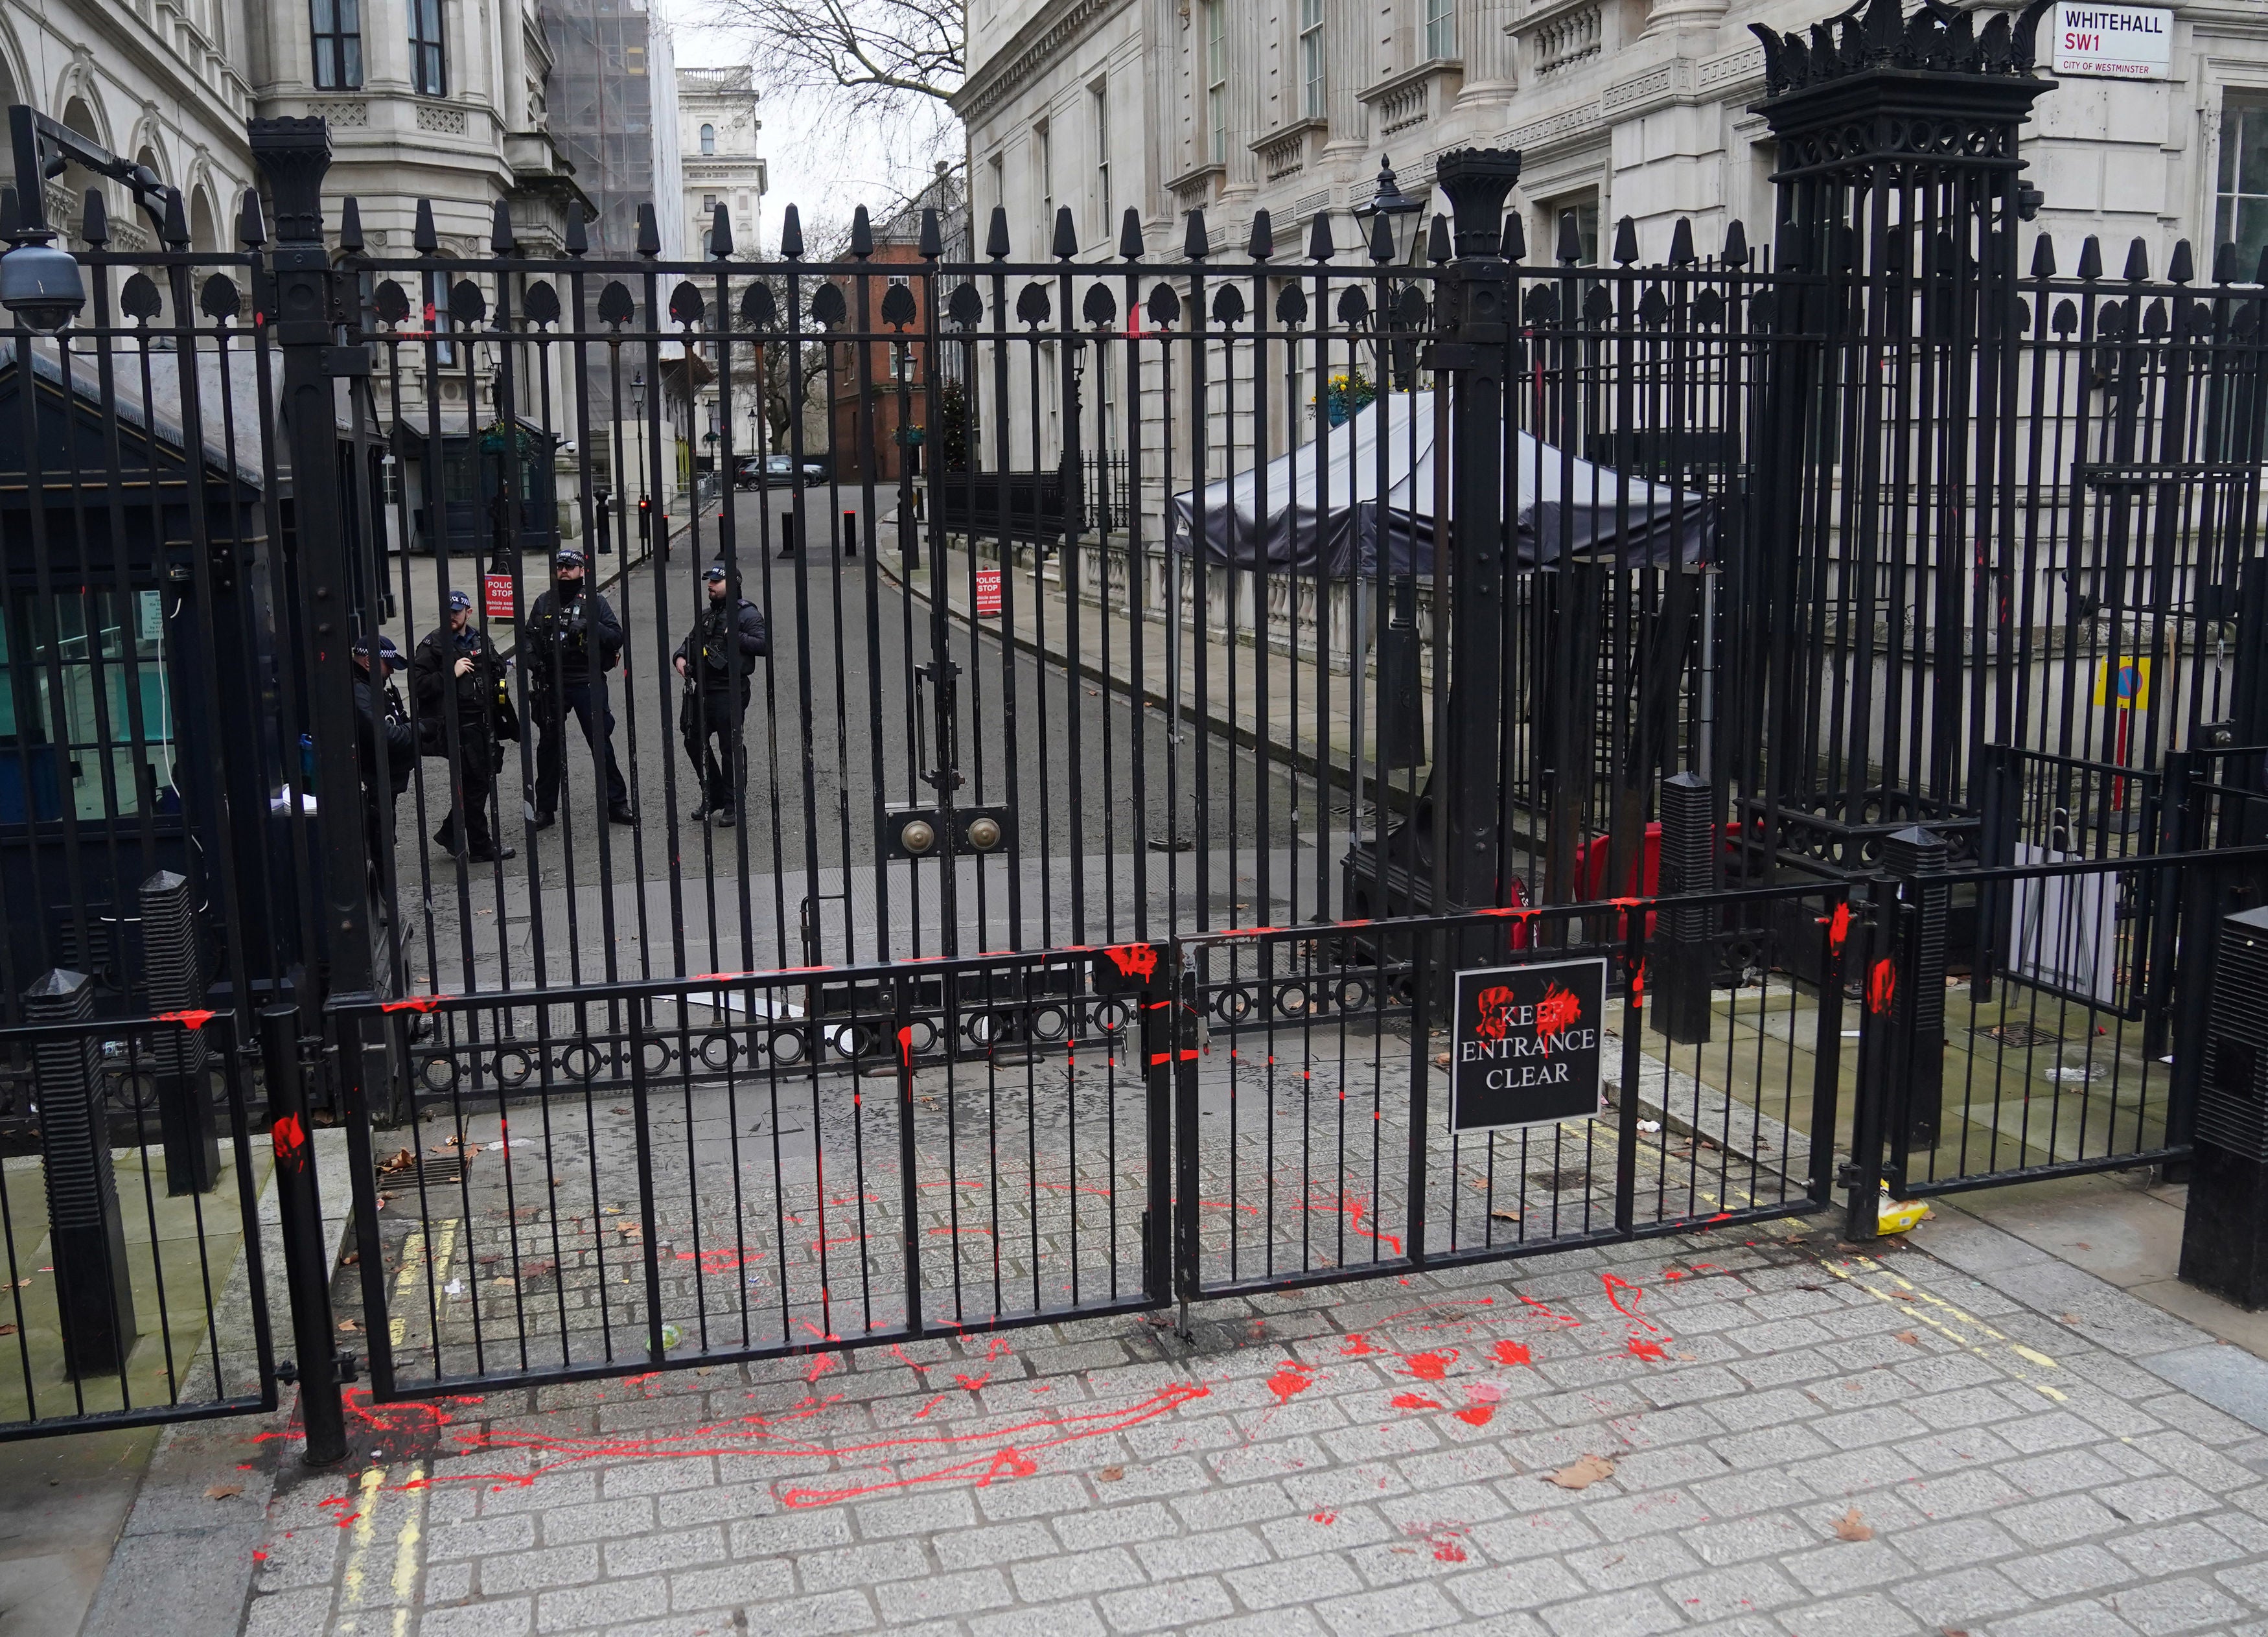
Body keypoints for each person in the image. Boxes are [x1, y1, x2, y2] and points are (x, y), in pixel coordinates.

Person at [523, 546, 632, 828]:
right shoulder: (544, 602)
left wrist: (589, 626)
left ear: (581, 571)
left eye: (569, 567)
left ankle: (617, 804)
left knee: (600, 743)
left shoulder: (594, 602)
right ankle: (545, 810)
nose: (563, 571)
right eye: (560, 566)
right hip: (552, 684)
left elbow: (616, 637)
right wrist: (534, 662)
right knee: (548, 747)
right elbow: (527, 641)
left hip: (586, 680)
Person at [410, 588, 515, 862]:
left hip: (484, 722)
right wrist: (450, 673)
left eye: (456, 612)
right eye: (446, 612)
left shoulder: (478, 637)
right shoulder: (433, 644)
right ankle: (481, 848)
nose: (451, 617)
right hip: (458, 725)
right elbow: (418, 685)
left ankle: (450, 833)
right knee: (477, 783)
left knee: (479, 782)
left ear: (468, 612)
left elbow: (497, 665)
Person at [673, 563, 768, 824]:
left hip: (731, 689)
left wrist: (735, 637)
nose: (710, 586)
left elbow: (764, 643)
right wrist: (680, 657)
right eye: (709, 582)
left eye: (717, 582)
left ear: (734, 584)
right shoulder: (707, 615)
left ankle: (733, 803)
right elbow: (689, 642)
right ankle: (714, 794)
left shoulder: (745, 613)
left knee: (730, 745)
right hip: (703, 689)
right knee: (693, 739)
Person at [352, 634, 417, 898]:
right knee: (378, 847)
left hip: (384, 781)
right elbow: (386, 734)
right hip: (373, 781)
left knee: (384, 842)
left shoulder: (373, 687)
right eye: (388, 665)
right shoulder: (359, 691)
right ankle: (383, 909)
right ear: (368, 661)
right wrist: (417, 730)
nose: (391, 671)